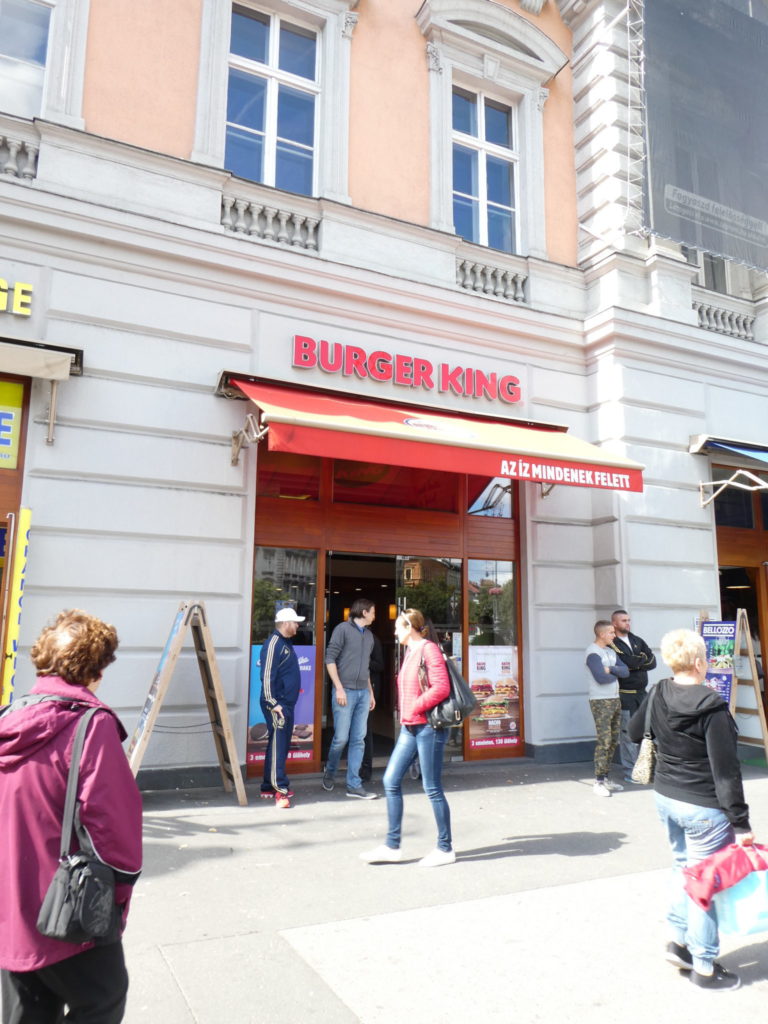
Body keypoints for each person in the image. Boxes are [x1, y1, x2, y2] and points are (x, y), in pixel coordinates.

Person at [0, 609, 143, 1024]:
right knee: (104, 997)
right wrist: (115, 905)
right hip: (67, 909)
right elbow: (115, 832)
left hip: (10, 903)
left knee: (26, 1011)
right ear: (94, 670)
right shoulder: (89, 725)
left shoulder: (9, 717)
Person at [628, 628, 754, 992]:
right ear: (701, 662)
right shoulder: (711, 705)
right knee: (705, 884)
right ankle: (704, 965)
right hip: (703, 807)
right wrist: (741, 822)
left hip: (666, 796)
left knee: (682, 869)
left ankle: (677, 942)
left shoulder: (658, 692)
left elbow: (635, 732)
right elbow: (726, 770)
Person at [360, 608, 454, 867]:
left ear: (411, 626)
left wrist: (415, 706)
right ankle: (392, 846)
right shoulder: (411, 652)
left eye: (398, 627)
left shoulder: (428, 649)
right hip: (411, 727)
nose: (394, 631)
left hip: (428, 728)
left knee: (432, 787)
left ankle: (445, 848)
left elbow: (441, 687)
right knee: (390, 779)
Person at [322, 597, 377, 799]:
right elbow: (330, 659)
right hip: (344, 691)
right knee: (341, 739)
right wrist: (338, 688)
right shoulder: (342, 629)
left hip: (362, 692)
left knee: (358, 740)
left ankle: (354, 784)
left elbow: (366, 668)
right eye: (372, 611)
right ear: (364, 612)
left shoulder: (370, 636)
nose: (374, 615)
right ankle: (330, 771)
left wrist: (370, 692)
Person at [260, 606, 305, 808]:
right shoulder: (274, 644)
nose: (298, 625)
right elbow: (267, 675)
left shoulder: (284, 642)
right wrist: (273, 703)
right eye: (295, 622)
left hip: (283, 704)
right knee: (279, 745)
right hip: (278, 705)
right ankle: (281, 791)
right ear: (286, 623)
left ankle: (268, 786)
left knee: (278, 745)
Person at [610, 609, 657, 781]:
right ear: (614, 623)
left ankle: (648, 767)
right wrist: (638, 661)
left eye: (629, 620)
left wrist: (635, 662)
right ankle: (630, 772)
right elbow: (625, 663)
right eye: (623, 620)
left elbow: (652, 661)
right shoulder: (612, 642)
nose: (627, 623)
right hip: (625, 694)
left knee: (647, 731)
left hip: (642, 694)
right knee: (628, 734)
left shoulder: (637, 640)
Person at [586, 619, 630, 797]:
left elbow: (626, 672)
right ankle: (599, 781)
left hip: (614, 698)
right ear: (602, 634)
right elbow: (600, 678)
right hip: (600, 700)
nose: (614, 635)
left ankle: (606, 776)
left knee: (612, 740)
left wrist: (610, 670)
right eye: (611, 632)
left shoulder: (610, 652)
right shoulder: (593, 653)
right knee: (604, 740)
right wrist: (615, 672)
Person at [360, 631, 385, 784]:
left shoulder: (373, 640)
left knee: (365, 730)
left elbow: (380, 665)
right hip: (356, 688)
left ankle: (366, 768)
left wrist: (363, 661)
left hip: (370, 688)